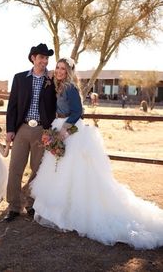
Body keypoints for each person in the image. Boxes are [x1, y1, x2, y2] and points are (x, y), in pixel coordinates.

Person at [31, 57, 163, 250]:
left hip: (69, 130)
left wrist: (63, 131)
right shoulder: (57, 85)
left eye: (63, 68)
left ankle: (70, 214)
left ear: (69, 72)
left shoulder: (71, 88)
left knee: (72, 173)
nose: (59, 71)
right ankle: (59, 212)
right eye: (57, 67)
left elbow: (78, 112)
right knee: (58, 171)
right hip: (57, 126)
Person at [2, 43, 57, 222]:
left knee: (37, 170)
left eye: (47, 58)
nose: (44, 61)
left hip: (42, 130)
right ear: (33, 58)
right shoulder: (19, 78)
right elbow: (12, 106)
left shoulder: (52, 79)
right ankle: (13, 206)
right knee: (15, 168)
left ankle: (31, 204)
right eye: (41, 57)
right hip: (22, 129)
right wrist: (10, 129)